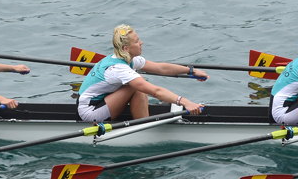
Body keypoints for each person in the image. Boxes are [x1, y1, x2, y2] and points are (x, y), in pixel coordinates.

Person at [76, 25, 206, 121]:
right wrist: (185, 102)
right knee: (139, 86)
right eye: (137, 41)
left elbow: (161, 68)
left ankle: (142, 120)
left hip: (99, 101)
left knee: (138, 84)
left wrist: (190, 70)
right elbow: (156, 92)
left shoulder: (126, 58)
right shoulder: (118, 68)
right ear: (126, 48)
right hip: (90, 112)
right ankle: (144, 128)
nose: (141, 43)